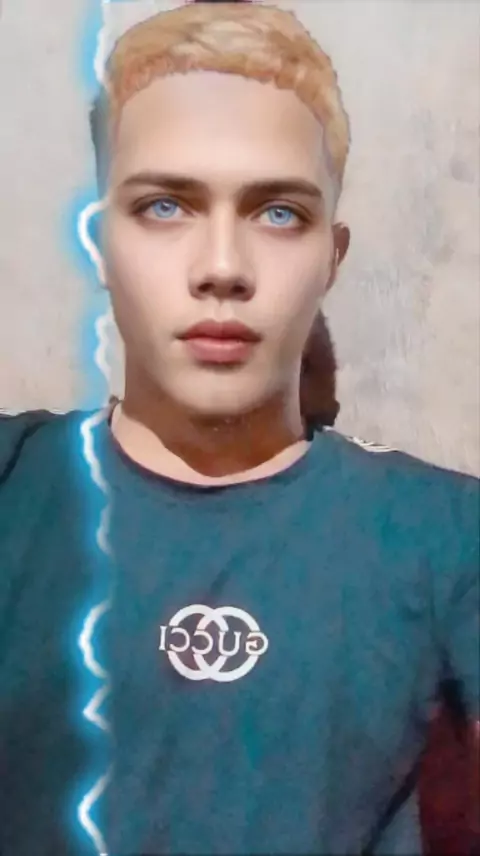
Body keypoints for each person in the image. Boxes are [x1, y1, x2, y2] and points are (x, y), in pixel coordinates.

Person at [0, 2, 478, 854]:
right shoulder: (14, 482)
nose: (222, 267)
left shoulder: (444, 531)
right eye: (165, 206)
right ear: (100, 246)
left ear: (331, 258)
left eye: (278, 213)